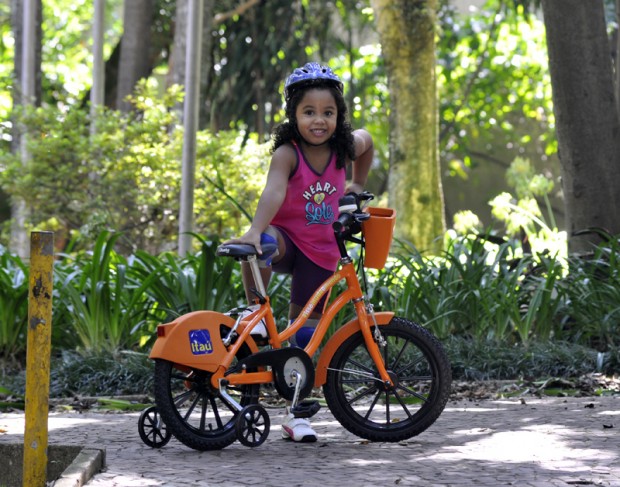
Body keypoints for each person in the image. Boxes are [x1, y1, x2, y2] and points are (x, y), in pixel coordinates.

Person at [226, 62, 373, 442]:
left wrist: (357, 182)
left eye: (328, 112)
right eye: (309, 112)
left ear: (339, 115)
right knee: (265, 245)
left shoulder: (344, 149)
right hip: (288, 242)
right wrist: (256, 229)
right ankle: (254, 312)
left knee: (304, 339)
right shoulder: (288, 155)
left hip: (320, 253)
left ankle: (296, 416)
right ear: (293, 115)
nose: (319, 120)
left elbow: (368, 140)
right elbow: (274, 191)